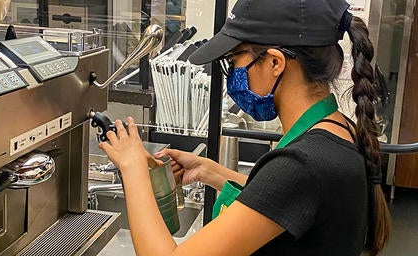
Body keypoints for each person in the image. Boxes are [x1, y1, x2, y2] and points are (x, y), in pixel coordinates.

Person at [98, 0, 391, 255]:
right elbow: (282, 202)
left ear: (275, 62)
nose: (233, 74)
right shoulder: (337, 130)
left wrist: (132, 165)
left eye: (235, 60)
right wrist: (208, 171)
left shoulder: (302, 165)